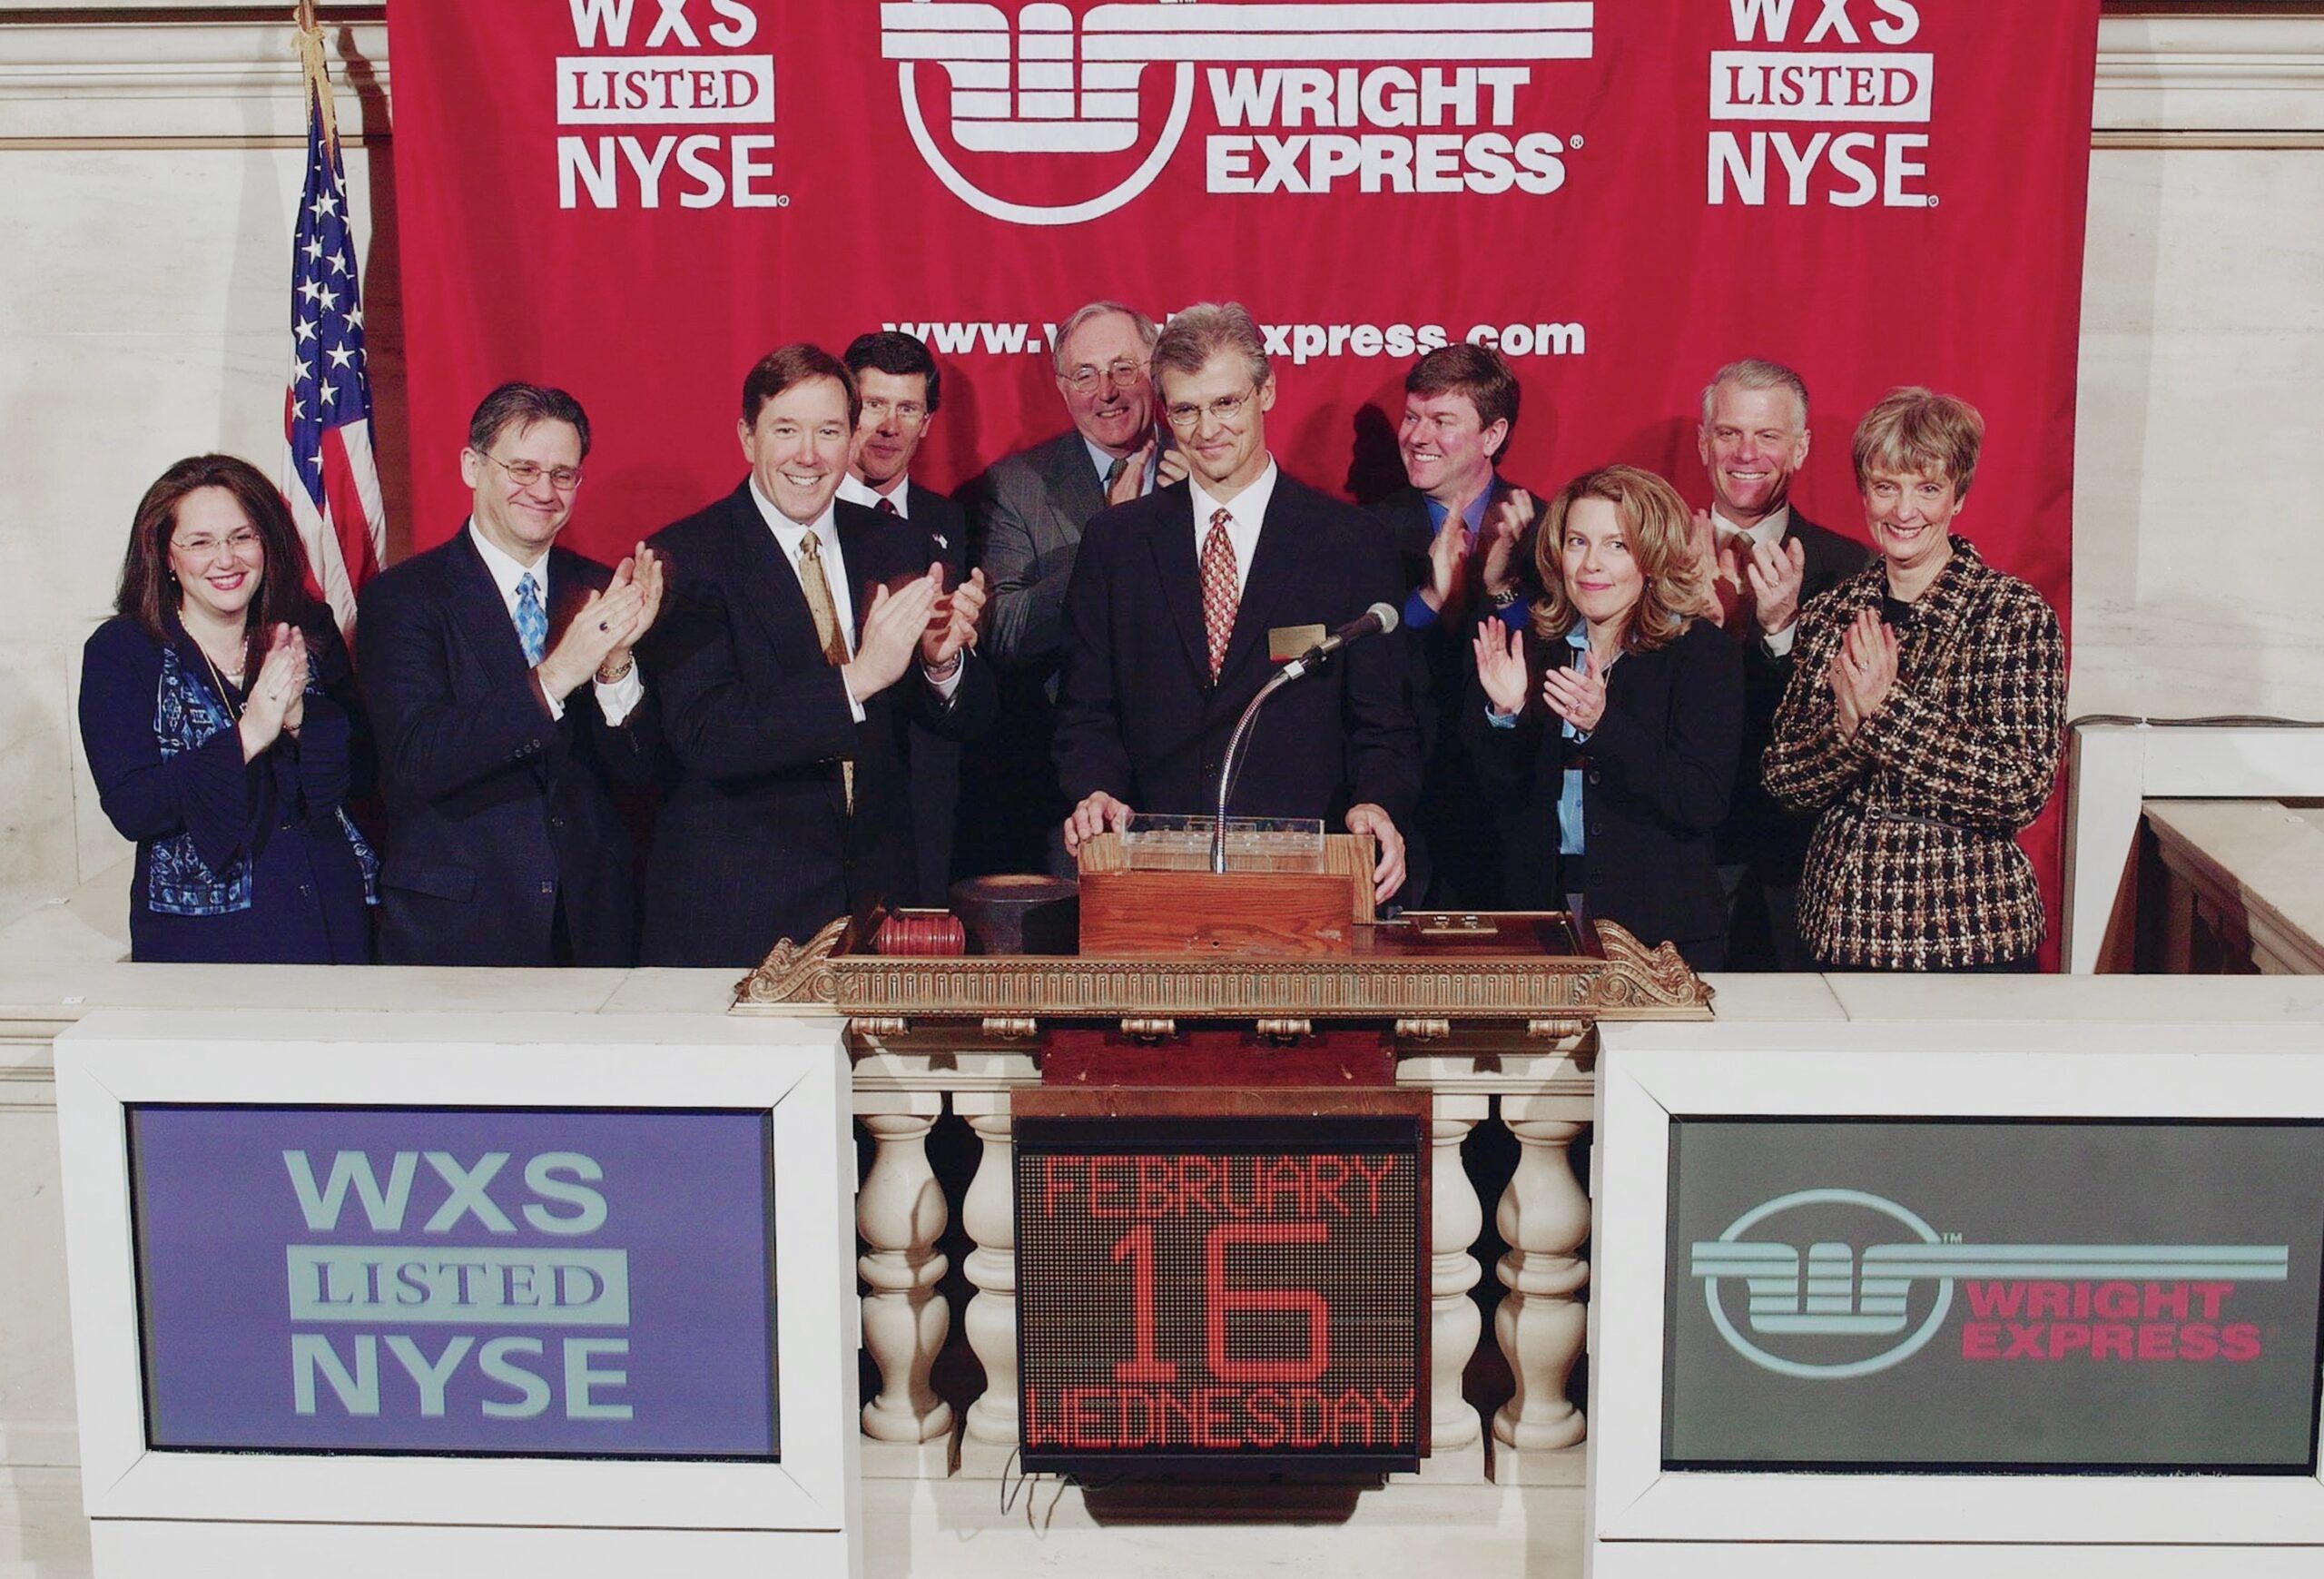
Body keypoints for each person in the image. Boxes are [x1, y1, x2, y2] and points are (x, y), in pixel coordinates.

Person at [1053, 301, 1420, 903]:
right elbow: (1085, 711)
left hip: (1306, 881)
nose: (1207, 430)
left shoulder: (1350, 543)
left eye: (1226, 403)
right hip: (1150, 877)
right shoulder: (1116, 542)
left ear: (1266, 391)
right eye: (1186, 410)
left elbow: (1385, 725)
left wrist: (1377, 804)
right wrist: (1095, 790)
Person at [645, 344, 995, 967]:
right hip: (742, 919)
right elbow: (708, 733)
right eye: (787, 430)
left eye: (829, 431)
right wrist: (857, 680)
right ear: (747, 437)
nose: (809, 455)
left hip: (879, 912)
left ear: (852, 436)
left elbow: (966, 723)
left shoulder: (898, 543)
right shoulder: (687, 558)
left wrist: (941, 663)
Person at [357, 383, 665, 966]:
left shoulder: (606, 591)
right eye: (523, 469)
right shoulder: (403, 599)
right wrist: (556, 676)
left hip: (593, 927)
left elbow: (644, 776)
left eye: (563, 474)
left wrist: (615, 666)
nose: (544, 491)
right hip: (458, 929)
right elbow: (420, 756)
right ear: (473, 467)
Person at [1763, 387, 2065, 972]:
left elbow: (2019, 788)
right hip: (1839, 926)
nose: (1904, 511)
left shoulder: (2012, 614)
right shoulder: (1831, 612)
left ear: (1958, 497)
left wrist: (1883, 715)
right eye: (1886, 487)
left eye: (1927, 489)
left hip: (1965, 932)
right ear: (1866, 493)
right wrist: (1847, 732)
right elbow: (1783, 779)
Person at [80, 454, 376, 962]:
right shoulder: (123, 650)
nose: (227, 560)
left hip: (331, 912)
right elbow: (135, 807)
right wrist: (250, 733)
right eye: (200, 542)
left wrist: (300, 719)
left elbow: (366, 773)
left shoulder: (309, 626)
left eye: (243, 537)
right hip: (205, 941)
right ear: (166, 556)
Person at [1467, 465, 1743, 969]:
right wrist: (1506, 716)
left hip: (1660, 938)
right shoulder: (1535, 646)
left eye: (1616, 545)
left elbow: (1701, 801)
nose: (1591, 564)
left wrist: (1605, 725)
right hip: (1542, 924)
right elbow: (1500, 805)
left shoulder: (1701, 654)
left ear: (1652, 556)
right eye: (1577, 542)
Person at [962, 300, 1187, 874]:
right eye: (1085, 375)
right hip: (1071, 796)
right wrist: (1106, 537)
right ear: (1062, 387)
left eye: (1123, 369)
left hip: (1195, 784)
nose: (1105, 391)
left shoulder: (1211, 466)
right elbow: (1005, 631)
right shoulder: (1017, 487)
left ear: (1156, 372)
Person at [1691, 358, 1870, 969]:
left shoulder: (1849, 570)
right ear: (1703, 442)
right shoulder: (1642, 554)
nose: (1747, 452)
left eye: (1768, 436)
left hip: (1790, 872)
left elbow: (1842, 735)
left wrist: (1780, 631)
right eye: (1729, 433)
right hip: (1676, 869)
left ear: (1800, 449)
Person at [1371, 342, 1537, 907]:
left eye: (1442, 421)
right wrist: (1429, 599)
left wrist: (1501, 589)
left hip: (1508, 827)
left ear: (1492, 436)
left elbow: (1555, 665)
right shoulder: (1358, 534)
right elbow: (1357, 664)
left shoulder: (1548, 531)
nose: (1417, 436)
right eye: (1413, 416)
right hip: (1398, 820)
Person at [840, 331, 970, 906]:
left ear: (928, 422)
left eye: (908, 408)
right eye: (873, 405)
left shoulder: (955, 519)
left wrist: (949, 665)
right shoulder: (807, 518)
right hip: (836, 806)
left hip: (935, 810)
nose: (889, 426)